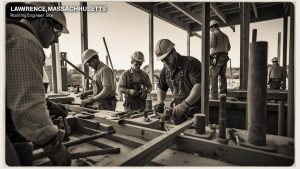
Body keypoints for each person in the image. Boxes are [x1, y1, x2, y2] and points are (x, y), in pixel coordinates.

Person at [6, 2, 71, 166]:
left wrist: (48, 104)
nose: (56, 40)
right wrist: (55, 148)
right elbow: (28, 106)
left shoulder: (11, 33)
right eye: (57, 31)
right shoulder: (24, 40)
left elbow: (12, 89)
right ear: (42, 22)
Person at [154, 39, 201, 124]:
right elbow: (161, 88)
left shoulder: (191, 63)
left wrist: (184, 105)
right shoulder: (165, 70)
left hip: (197, 112)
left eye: (166, 58)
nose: (165, 62)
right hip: (179, 112)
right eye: (162, 60)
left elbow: (200, 86)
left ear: (173, 52)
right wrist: (160, 101)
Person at [209, 20, 231, 99]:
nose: (210, 30)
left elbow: (212, 44)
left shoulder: (213, 34)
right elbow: (228, 48)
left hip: (216, 57)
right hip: (224, 56)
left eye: (210, 28)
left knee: (213, 76)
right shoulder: (225, 35)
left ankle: (214, 95)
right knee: (222, 76)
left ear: (213, 26)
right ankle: (223, 94)